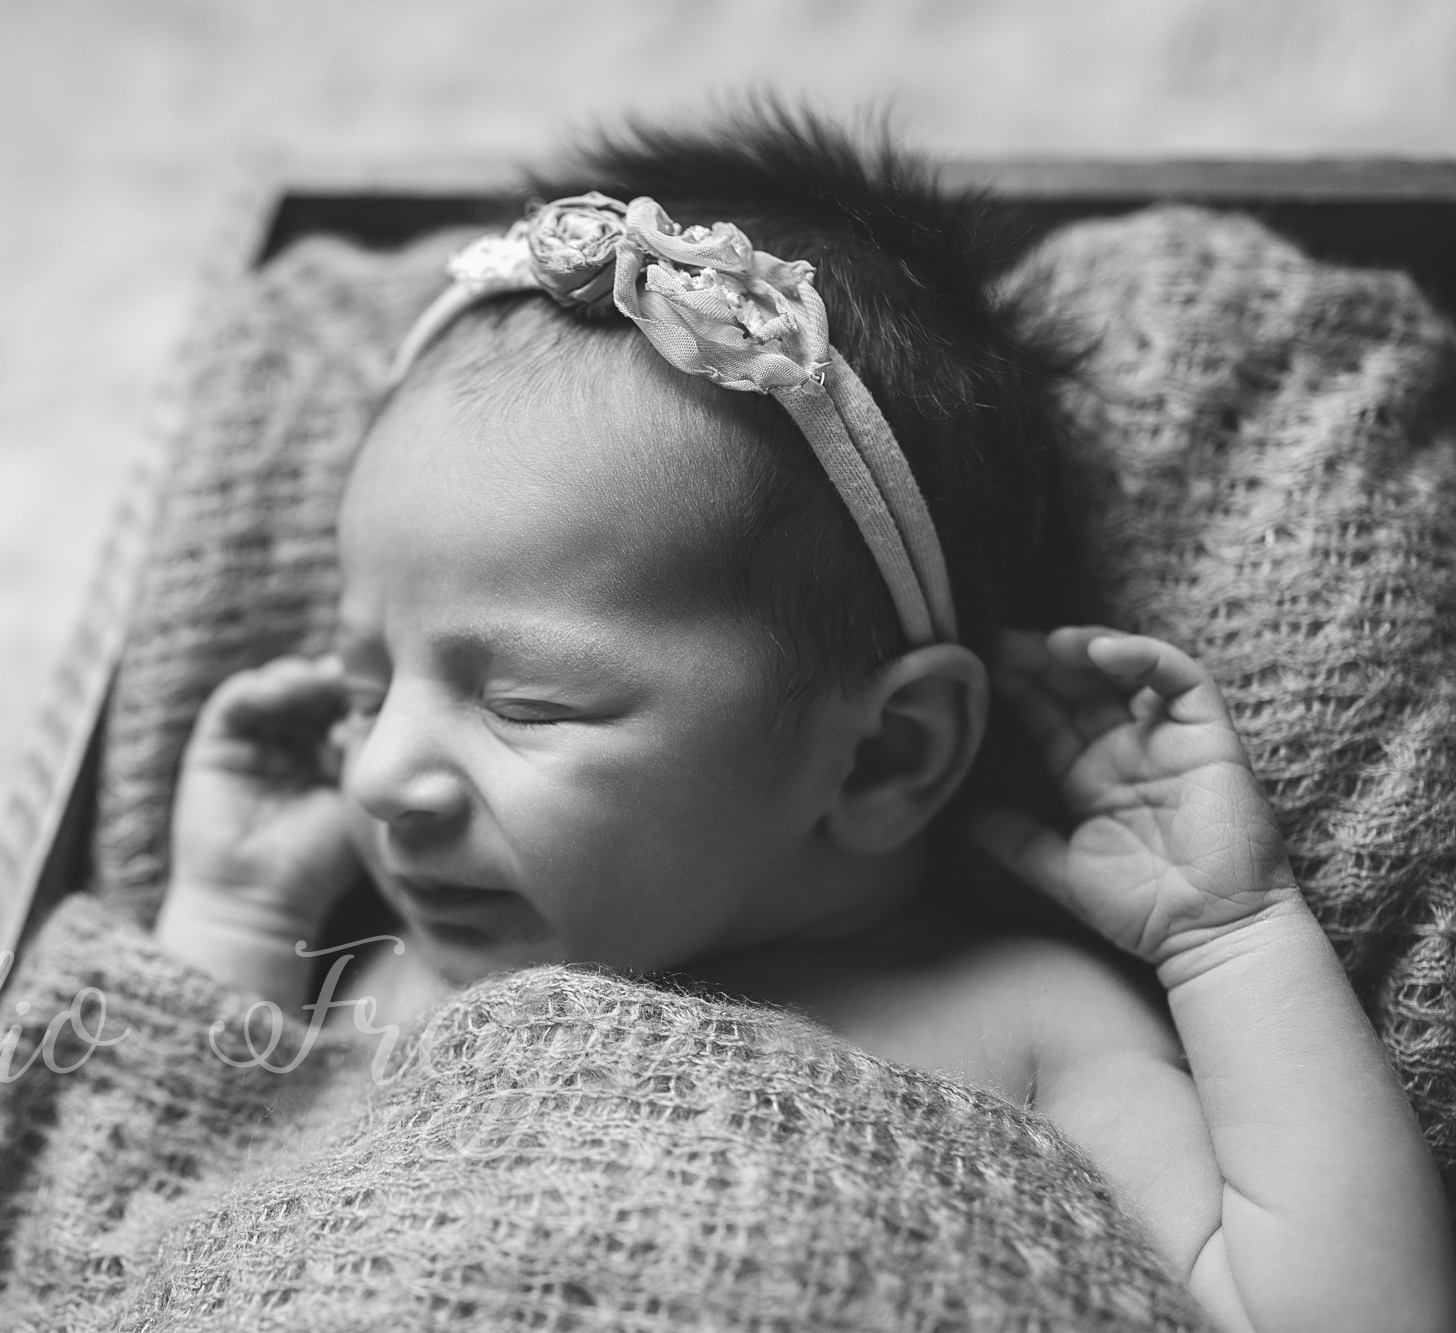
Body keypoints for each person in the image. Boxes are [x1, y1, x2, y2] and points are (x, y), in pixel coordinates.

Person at [151, 104, 1455, 1332]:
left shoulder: (1020, 1024)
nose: (382, 773)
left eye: (524, 701)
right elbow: (165, 1232)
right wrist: (237, 923)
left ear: (886, 752)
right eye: (368, 683)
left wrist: (1232, 936)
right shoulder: (398, 977)